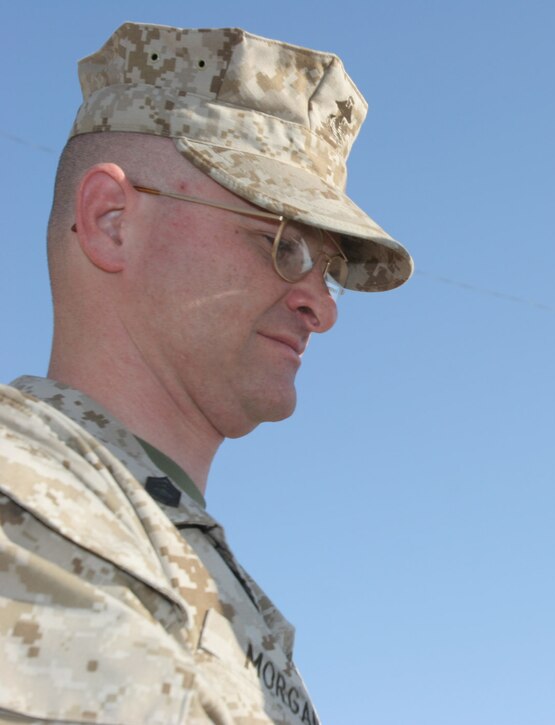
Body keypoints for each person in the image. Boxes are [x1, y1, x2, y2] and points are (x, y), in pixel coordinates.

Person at [0, 22, 411, 723]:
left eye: (329, 269)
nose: (320, 305)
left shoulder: (208, 578)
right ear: (110, 221)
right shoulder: (25, 493)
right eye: (281, 243)